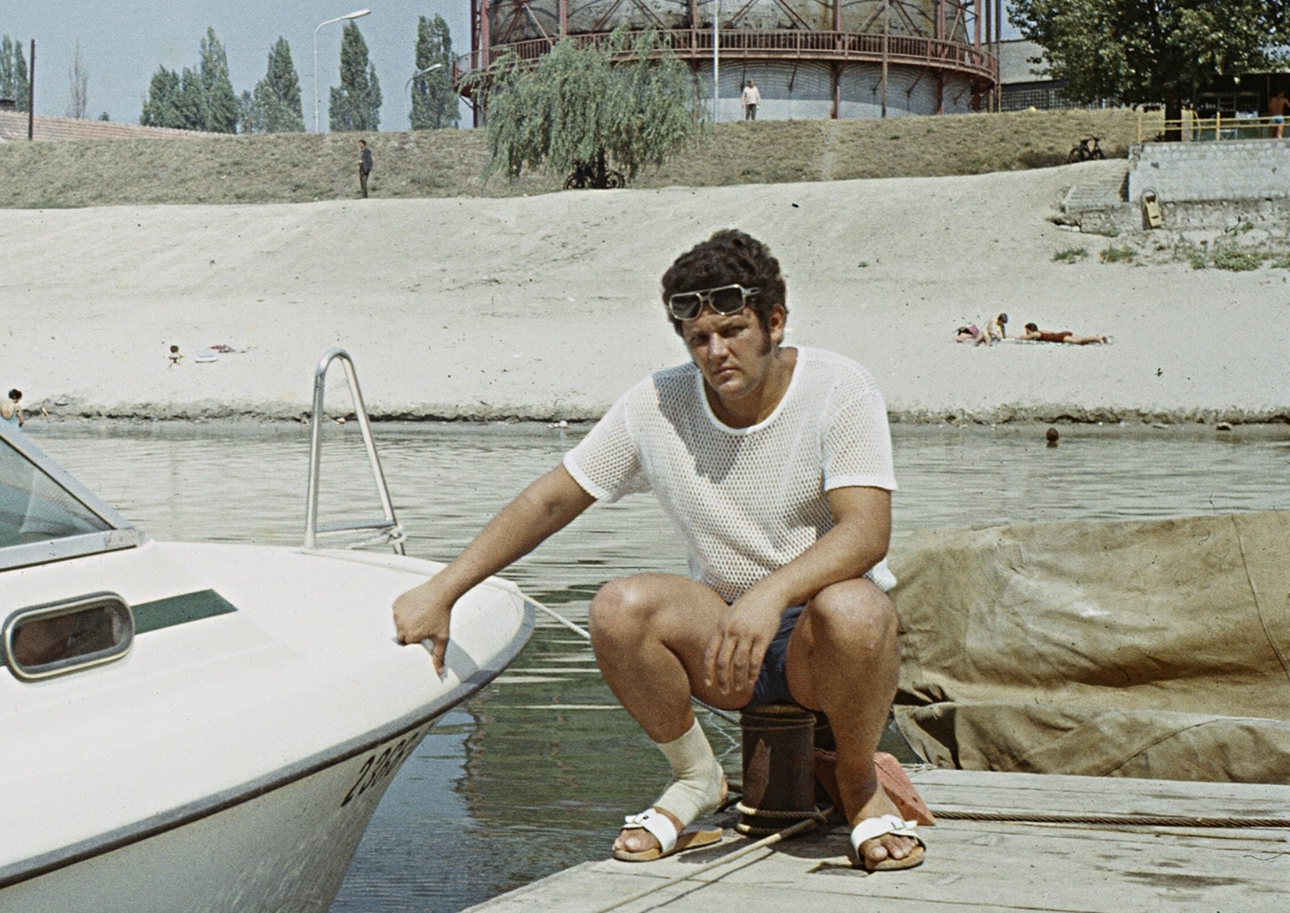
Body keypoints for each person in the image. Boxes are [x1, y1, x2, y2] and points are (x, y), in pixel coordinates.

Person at [392, 229, 923, 873]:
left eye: (733, 331)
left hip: (825, 639)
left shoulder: (840, 386)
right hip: (723, 641)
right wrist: (444, 589)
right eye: (699, 339)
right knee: (619, 606)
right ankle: (696, 777)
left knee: (855, 608)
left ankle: (860, 786)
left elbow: (866, 532)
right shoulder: (658, 403)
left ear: (775, 322)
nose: (716, 352)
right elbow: (553, 500)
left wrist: (771, 593)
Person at [1022, 322, 1107, 345]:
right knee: (1082, 338)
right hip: (1063, 333)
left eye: (1027, 331)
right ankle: (1099, 337)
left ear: (1031, 329)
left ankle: (1097, 338)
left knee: (1080, 342)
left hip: (1060, 338)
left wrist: (1023, 336)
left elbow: (1024, 338)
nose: (1026, 333)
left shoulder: (1035, 334)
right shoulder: (1042, 331)